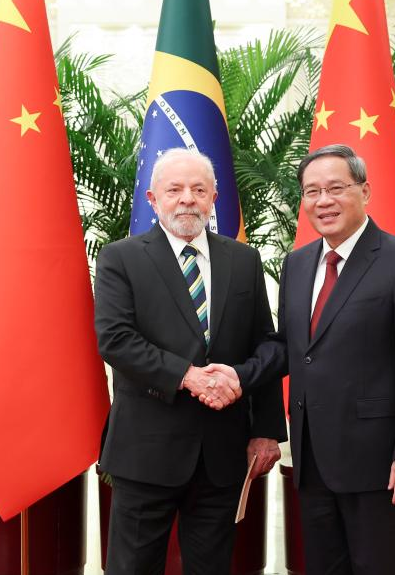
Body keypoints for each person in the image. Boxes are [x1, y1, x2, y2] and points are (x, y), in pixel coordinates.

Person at [208, 144, 395, 574]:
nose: (323, 201)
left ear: (365, 191)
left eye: (336, 188)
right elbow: (290, 347)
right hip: (312, 458)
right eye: (312, 191)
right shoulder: (298, 264)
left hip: (379, 462)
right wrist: (239, 376)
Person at [94, 147, 285, 575]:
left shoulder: (243, 260)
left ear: (214, 197)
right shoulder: (120, 258)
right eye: (175, 189)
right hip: (145, 453)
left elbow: (266, 346)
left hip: (222, 454)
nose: (187, 199)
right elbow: (115, 339)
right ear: (152, 199)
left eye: (198, 189)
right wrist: (188, 377)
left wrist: (267, 431)